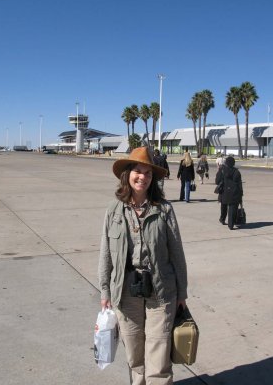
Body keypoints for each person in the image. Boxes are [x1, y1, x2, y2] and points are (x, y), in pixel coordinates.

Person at [99, 146, 188, 385]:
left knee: (158, 357)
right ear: (127, 174)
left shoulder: (164, 210)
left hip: (161, 291)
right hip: (126, 292)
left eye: (148, 173)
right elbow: (105, 253)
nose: (143, 177)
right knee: (135, 357)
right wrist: (105, 290)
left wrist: (182, 292)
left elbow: (177, 253)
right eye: (138, 171)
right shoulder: (114, 210)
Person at [215, 156, 243, 230]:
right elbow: (240, 184)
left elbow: (217, 181)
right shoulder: (237, 172)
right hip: (235, 192)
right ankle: (231, 224)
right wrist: (241, 195)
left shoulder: (222, 170)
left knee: (223, 205)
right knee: (233, 208)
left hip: (224, 191)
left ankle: (222, 219)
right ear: (233, 163)